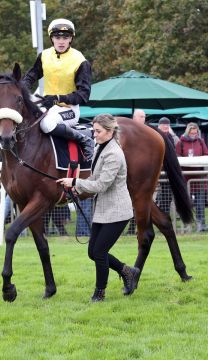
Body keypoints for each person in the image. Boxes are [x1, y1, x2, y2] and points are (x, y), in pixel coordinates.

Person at [57, 114, 140, 302]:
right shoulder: (100, 148)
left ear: (110, 131)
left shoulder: (114, 154)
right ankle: (128, 271)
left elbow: (102, 185)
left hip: (118, 212)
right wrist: (77, 188)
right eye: (94, 130)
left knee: (99, 252)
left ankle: (100, 293)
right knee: (92, 252)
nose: (94, 135)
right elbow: (94, 179)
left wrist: (75, 181)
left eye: (98, 131)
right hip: (103, 210)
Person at [22, 18, 94, 161]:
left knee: (46, 124)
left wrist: (59, 98)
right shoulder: (44, 55)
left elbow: (84, 95)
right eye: (57, 37)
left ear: (71, 39)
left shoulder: (80, 60)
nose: (61, 41)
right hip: (47, 105)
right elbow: (31, 76)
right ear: (52, 39)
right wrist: (20, 88)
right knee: (22, 117)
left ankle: (85, 140)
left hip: (69, 109)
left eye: (65, 37)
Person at [176, 122, 208, 232]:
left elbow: (206, 154)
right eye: (192, 131)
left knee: (200, 203)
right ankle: (187, 224)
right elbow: (177, 157)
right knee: (186, 202)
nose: (194, 133)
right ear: (188, 131)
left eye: (195, 131)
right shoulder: (180, 142)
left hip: (199, 178)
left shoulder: (201, 141)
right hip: (186, 178)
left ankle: (201, 224)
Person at [156, 117, 179, 214]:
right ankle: (162, 214)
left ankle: (164, 214)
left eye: (167, 124)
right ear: (159, 125)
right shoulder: (156, 135)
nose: (165, 126)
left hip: (168, 169)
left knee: (167, 195)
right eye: (163, 124)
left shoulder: (172, 137)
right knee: (164, 194)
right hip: (158, 168)